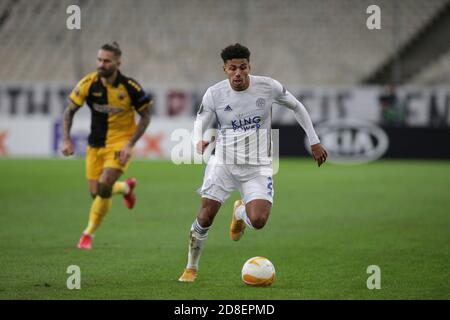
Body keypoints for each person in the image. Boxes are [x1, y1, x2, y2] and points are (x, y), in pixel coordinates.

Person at [178, 43, 327, 282]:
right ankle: (191, 268)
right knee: (205, 217)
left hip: (257, 167)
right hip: (223, 165)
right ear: (224, 69)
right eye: (232, 68)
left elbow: (297, 106)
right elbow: (201, 121)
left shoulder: (268, 87)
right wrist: (199, 140)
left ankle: (240, 212)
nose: (238, 73)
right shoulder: (214, 94)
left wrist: (314, 140)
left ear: (249, 66)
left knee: (258, 221)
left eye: (243, 67)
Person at [62, 42, 152, 250]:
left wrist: (130, 144)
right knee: (97, 193)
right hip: (95, 145)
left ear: (118, 63)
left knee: (104, 187)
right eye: (99, 60)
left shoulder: (130, 87)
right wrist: (66, 139)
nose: (101, 64)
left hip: (120, 143)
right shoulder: (88, 83)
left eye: (106, 61)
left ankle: (87, 234)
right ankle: (125, 188)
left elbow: (146, 116)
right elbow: (69, 112)